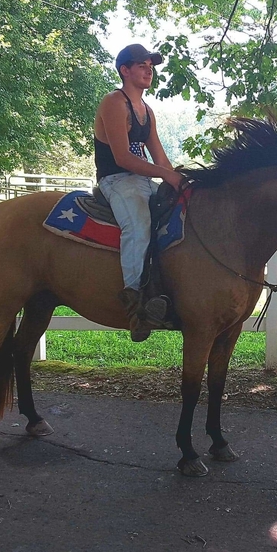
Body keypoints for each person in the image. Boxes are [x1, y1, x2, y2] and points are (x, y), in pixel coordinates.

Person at [94, 43, 184, 342]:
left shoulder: (147, 111)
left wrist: (179, 182)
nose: (150, 69)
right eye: (142, 64)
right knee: (138, 223)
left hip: (142, 179)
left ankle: (166, 290)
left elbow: (159, 156)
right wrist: (165, 175)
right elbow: (122, 157)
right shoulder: (114, 102)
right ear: (125, 70)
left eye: (151, 65)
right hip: (117, 180)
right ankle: (135, 304)